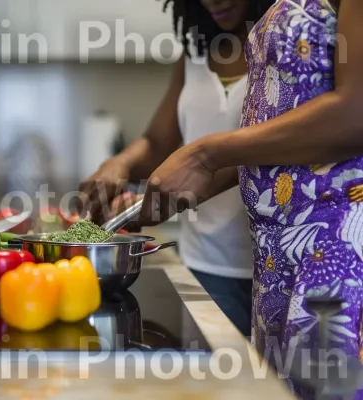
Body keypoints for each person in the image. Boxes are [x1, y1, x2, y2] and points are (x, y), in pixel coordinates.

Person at [136, 0, 362, 397]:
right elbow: (283, 132)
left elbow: (355, 113)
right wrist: (203, 179)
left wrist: (205, 154)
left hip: (334, 254)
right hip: (275, 261)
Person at [79, 0, 274, 337]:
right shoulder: (196, 54)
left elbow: (275, 146)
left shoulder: (286, 43)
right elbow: (158, 142)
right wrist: (119, 163)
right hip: (203, 266)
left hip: (271, 268)